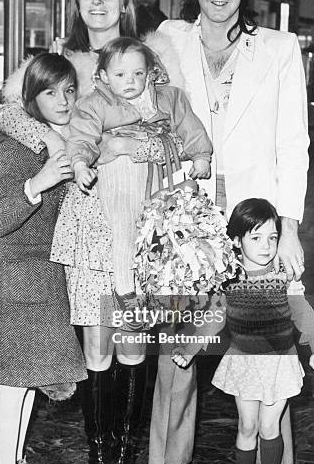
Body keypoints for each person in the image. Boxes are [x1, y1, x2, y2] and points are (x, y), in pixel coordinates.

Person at [0, 0, 183, 464]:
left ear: (125, 0)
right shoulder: (65, 62)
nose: (98, 3)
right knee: (97, 346)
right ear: (75, 3)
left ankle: (125, 463)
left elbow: (178, 131)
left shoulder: (152, 58)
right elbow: (8, 107)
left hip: (145, 227)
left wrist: (130, 146)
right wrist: (58, 147)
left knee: (134, 344)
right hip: (91, 228)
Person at [141, 0, 311, 464]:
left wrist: (287, 228)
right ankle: (166, 458)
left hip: (254, 225)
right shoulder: (168, 41)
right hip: (188, 222)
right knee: (179, 346)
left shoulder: (279, 50)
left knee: (266, 345)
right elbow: (120, 84)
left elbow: (294, 143)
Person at [0, 53, 87, 464]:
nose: (62, 100)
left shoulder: (61, 142)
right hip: (12, 279)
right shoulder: (17, 148)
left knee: (30, 382)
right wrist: (38, 183)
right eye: (50, 92)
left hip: (43, 277)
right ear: (32, 99)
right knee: (13, 386)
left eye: (69, 90)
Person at [172, 198, 314, 464]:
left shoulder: (284, 276)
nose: (266, 245)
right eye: (256, 237)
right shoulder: (229, 279)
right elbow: (213, 319)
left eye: (272, 237)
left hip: (278, 364)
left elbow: (303, 314)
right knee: (247, 426)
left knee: (270, 427)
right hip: (244, 363)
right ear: (237, 240)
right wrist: (188, 350)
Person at [68, 36, 212, 307]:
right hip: (117, 170)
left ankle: (155, 285)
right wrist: (79, 164)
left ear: (150, 72)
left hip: (157, 171)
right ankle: (125, 288)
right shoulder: (94, 103)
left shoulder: (169, 97)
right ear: (104, 77)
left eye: (138, 73)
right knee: (123, 223)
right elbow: (81, 136)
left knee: (155, 228)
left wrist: (201, 155)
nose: (130, 80)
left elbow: (190, 126)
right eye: (120, 74)